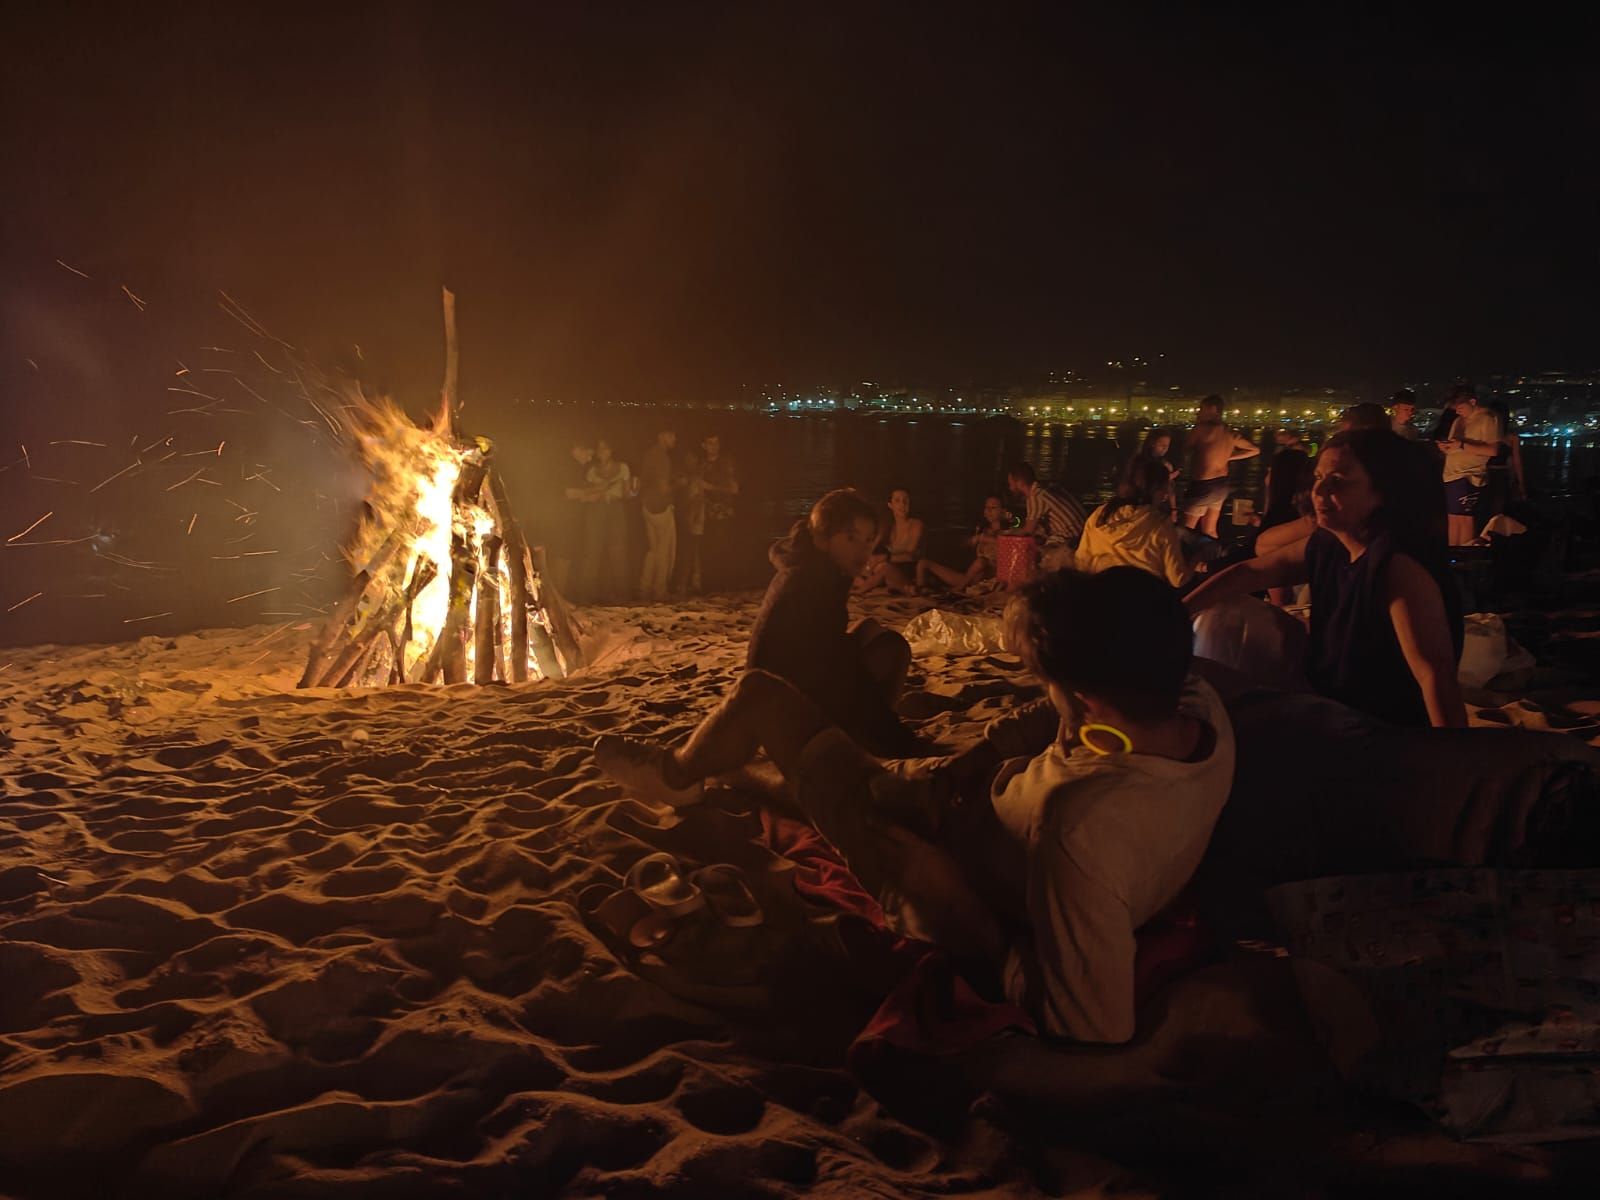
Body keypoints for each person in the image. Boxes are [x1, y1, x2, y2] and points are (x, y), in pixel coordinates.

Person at [594, 566, 1236, 1045]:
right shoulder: (1193, 703)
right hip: (961, 796)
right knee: (837, 772)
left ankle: (678, 777)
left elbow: (1091, 1024)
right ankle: (735, 776)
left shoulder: (1083, 825)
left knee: (763, 697)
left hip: (930, 856)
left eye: (1047, 680)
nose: (1044, 694)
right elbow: (1053, 712)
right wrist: (982, 754)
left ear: (1090, 698)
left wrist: (960, 910)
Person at [1186, 429, 1465, 728]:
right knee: (1220, 621)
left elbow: (1434, 675)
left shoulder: (1396, 567)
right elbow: (1250, 572)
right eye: (1318, 478)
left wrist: (1449, 760)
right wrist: (1177, 613)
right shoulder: (1328, 545)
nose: (1319, 492)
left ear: (1382, 491)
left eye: (1338, 482)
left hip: (1374, 725)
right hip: (1329, 696)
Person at [742, 488, 919, 755]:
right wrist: (892, 734)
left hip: (786, 689)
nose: (863, 550)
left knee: (874, 631)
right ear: (822, 539)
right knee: (893, 650)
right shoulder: (811, 585)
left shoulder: (813, 568)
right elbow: (841, 673)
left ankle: (867, 735)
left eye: (869, 540)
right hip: (785, 711)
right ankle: (870, 741)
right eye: (851, 538)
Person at [1075, 459, 1191, 589]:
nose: (1165, 496)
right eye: (1164, 489)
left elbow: (1081, 563)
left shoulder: (1100, 514)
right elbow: (1178, 579)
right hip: (1142, 603)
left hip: (1099, 598)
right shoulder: (1160, 524)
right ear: (1153, 490)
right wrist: (1194, 564)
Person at [1180, 395, 1260, 539]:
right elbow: (1255, 450)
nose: (1198, 412)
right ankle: (1214, 558)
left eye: (1201, 409)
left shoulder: (1201, 429)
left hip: (1203, 485)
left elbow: (1185, 449)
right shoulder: (1229, 432)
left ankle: (1181, 560)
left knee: (1185, 531)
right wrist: (1229, 456)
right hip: (1221, 486)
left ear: (1212, 409)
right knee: (1210, 531)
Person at [1437, 387, 1503, 546]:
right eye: (1456, 409)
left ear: (1472, 402)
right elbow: (1457, 445)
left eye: (1461, 408)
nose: (1458, 412)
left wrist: (1461, 445)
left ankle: (1466, 556)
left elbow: (1493, 450)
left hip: (1469, 476)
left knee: (1464, 519)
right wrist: (1447, 448)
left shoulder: (1487, 418)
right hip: (1451, 474)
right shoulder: (1458, 420)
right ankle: (1453, 555)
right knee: (1452, 518)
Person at [917, 495, 1009, 591]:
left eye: (993, 507)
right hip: (970, 578)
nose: (988, 510)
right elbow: (966, 546)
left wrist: (983, 539)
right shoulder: (981, 530)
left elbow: (1006, 545)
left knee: (981, 562)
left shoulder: (1008, 532)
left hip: (990, 580)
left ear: (1002, 511)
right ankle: (920, 596)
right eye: (986, 507)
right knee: (923, 563)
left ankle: (959, 588)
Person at [1007, 462, 1086, 572]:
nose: (1010, 488)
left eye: (1011, 484)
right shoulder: (1049, 488)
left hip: (1069, 538)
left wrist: (1006, 534)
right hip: (1082, 532)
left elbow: (1028, 530)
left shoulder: (1036, 497)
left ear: (1019, 483)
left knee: (1029, 555)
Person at [583, 437, 632, 603]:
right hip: (596, 510)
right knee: (593, 551)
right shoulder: (592, 471)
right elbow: (587, 492)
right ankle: (590, 594)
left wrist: (633, 491)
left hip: (615, 509)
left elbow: (627, 494)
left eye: (605, 448)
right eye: (599, 449)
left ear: (612, 450)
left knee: (618, 551)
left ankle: (621, 593)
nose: (602, 452)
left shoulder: (623, 468)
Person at [854, 488, 924, 594]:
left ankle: (860, 590)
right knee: (863, 567)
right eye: (897, 501)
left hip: (909, 570)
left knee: (885, 567)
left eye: (906, 500)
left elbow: (911, 549)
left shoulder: (916, 524)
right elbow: (872, 548)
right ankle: (866, 584)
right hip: (891, 568)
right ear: (890, 505)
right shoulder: (889, 528)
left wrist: (887, 555)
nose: (902, 504)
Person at [637, 428, 677, 602]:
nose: (674, 438)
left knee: (652, 550)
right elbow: (663, 488)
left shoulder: (649, 454)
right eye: (671, 434)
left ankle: (644, 588)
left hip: (647, 506)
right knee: (664, 551)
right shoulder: (662, 458)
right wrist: (679, 483)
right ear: (661, 435)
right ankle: (660, 591)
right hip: (660, 508)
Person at [1476, 400, 1525, 536]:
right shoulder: (1508, 437)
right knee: (1493, 511)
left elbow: (1517, 462)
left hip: (1494, 476)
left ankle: (1490, 540)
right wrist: (1520, 485)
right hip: (1492, 475)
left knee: (1494, 511)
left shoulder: (1509, 437)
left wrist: (1520, 484)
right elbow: (1517, 463)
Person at [556, 442, 595, 599]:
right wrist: (591, 494)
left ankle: (564, 592)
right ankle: (559, 593)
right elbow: (569, 493)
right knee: (563, 555)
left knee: (569, 555)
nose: (590, 457)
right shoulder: (568, 467)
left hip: (570, 517)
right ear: (577, 450)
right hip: (564, 517)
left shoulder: (577, 468)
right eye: (588, 453)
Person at [700, 434, 739, 591]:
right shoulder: (701, 465)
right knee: (708, 549)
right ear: (703, 445)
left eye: (716, 443)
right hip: (705, 515)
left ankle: (722, 584)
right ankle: (709, 584)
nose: (714, 446)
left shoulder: (726, 464)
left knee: (721, 548)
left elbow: (734, 489)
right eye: (710, 443)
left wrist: (711, 488)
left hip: (723, 513)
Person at [672, 449, 706, 594]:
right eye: (687, 459)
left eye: (692, 459)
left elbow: (697, 499)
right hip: (690, 518)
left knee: (690, 551)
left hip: (694, 519)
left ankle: (685, 583)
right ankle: (693, 582)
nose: (689, 462)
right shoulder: (687, 476)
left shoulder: (695, 478)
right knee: (692, 551)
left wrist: (691, 518)